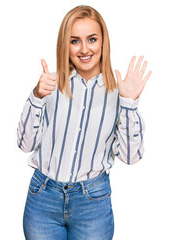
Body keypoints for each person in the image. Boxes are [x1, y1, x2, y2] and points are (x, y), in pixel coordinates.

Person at [17, 5, 152, 240]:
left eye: (91, 39)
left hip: (93, 203)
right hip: (43, 199)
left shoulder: (117, 92)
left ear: (103, 42)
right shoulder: (50, 85)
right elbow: (24, 145)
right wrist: (37, 97)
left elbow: (131, 157)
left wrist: (129, 102)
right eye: (75, 41)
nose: (84, 49)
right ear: (65, 45)